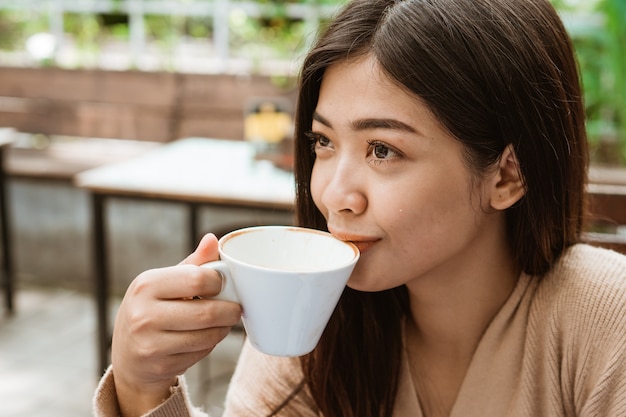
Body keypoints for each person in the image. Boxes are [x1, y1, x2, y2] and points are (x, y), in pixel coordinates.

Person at [94, 0, 626, 415]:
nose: (334, 195)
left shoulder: (605, 321)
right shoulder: (309, 322)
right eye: (324, 143)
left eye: (382, 150)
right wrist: (143, 390)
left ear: (508, 174)